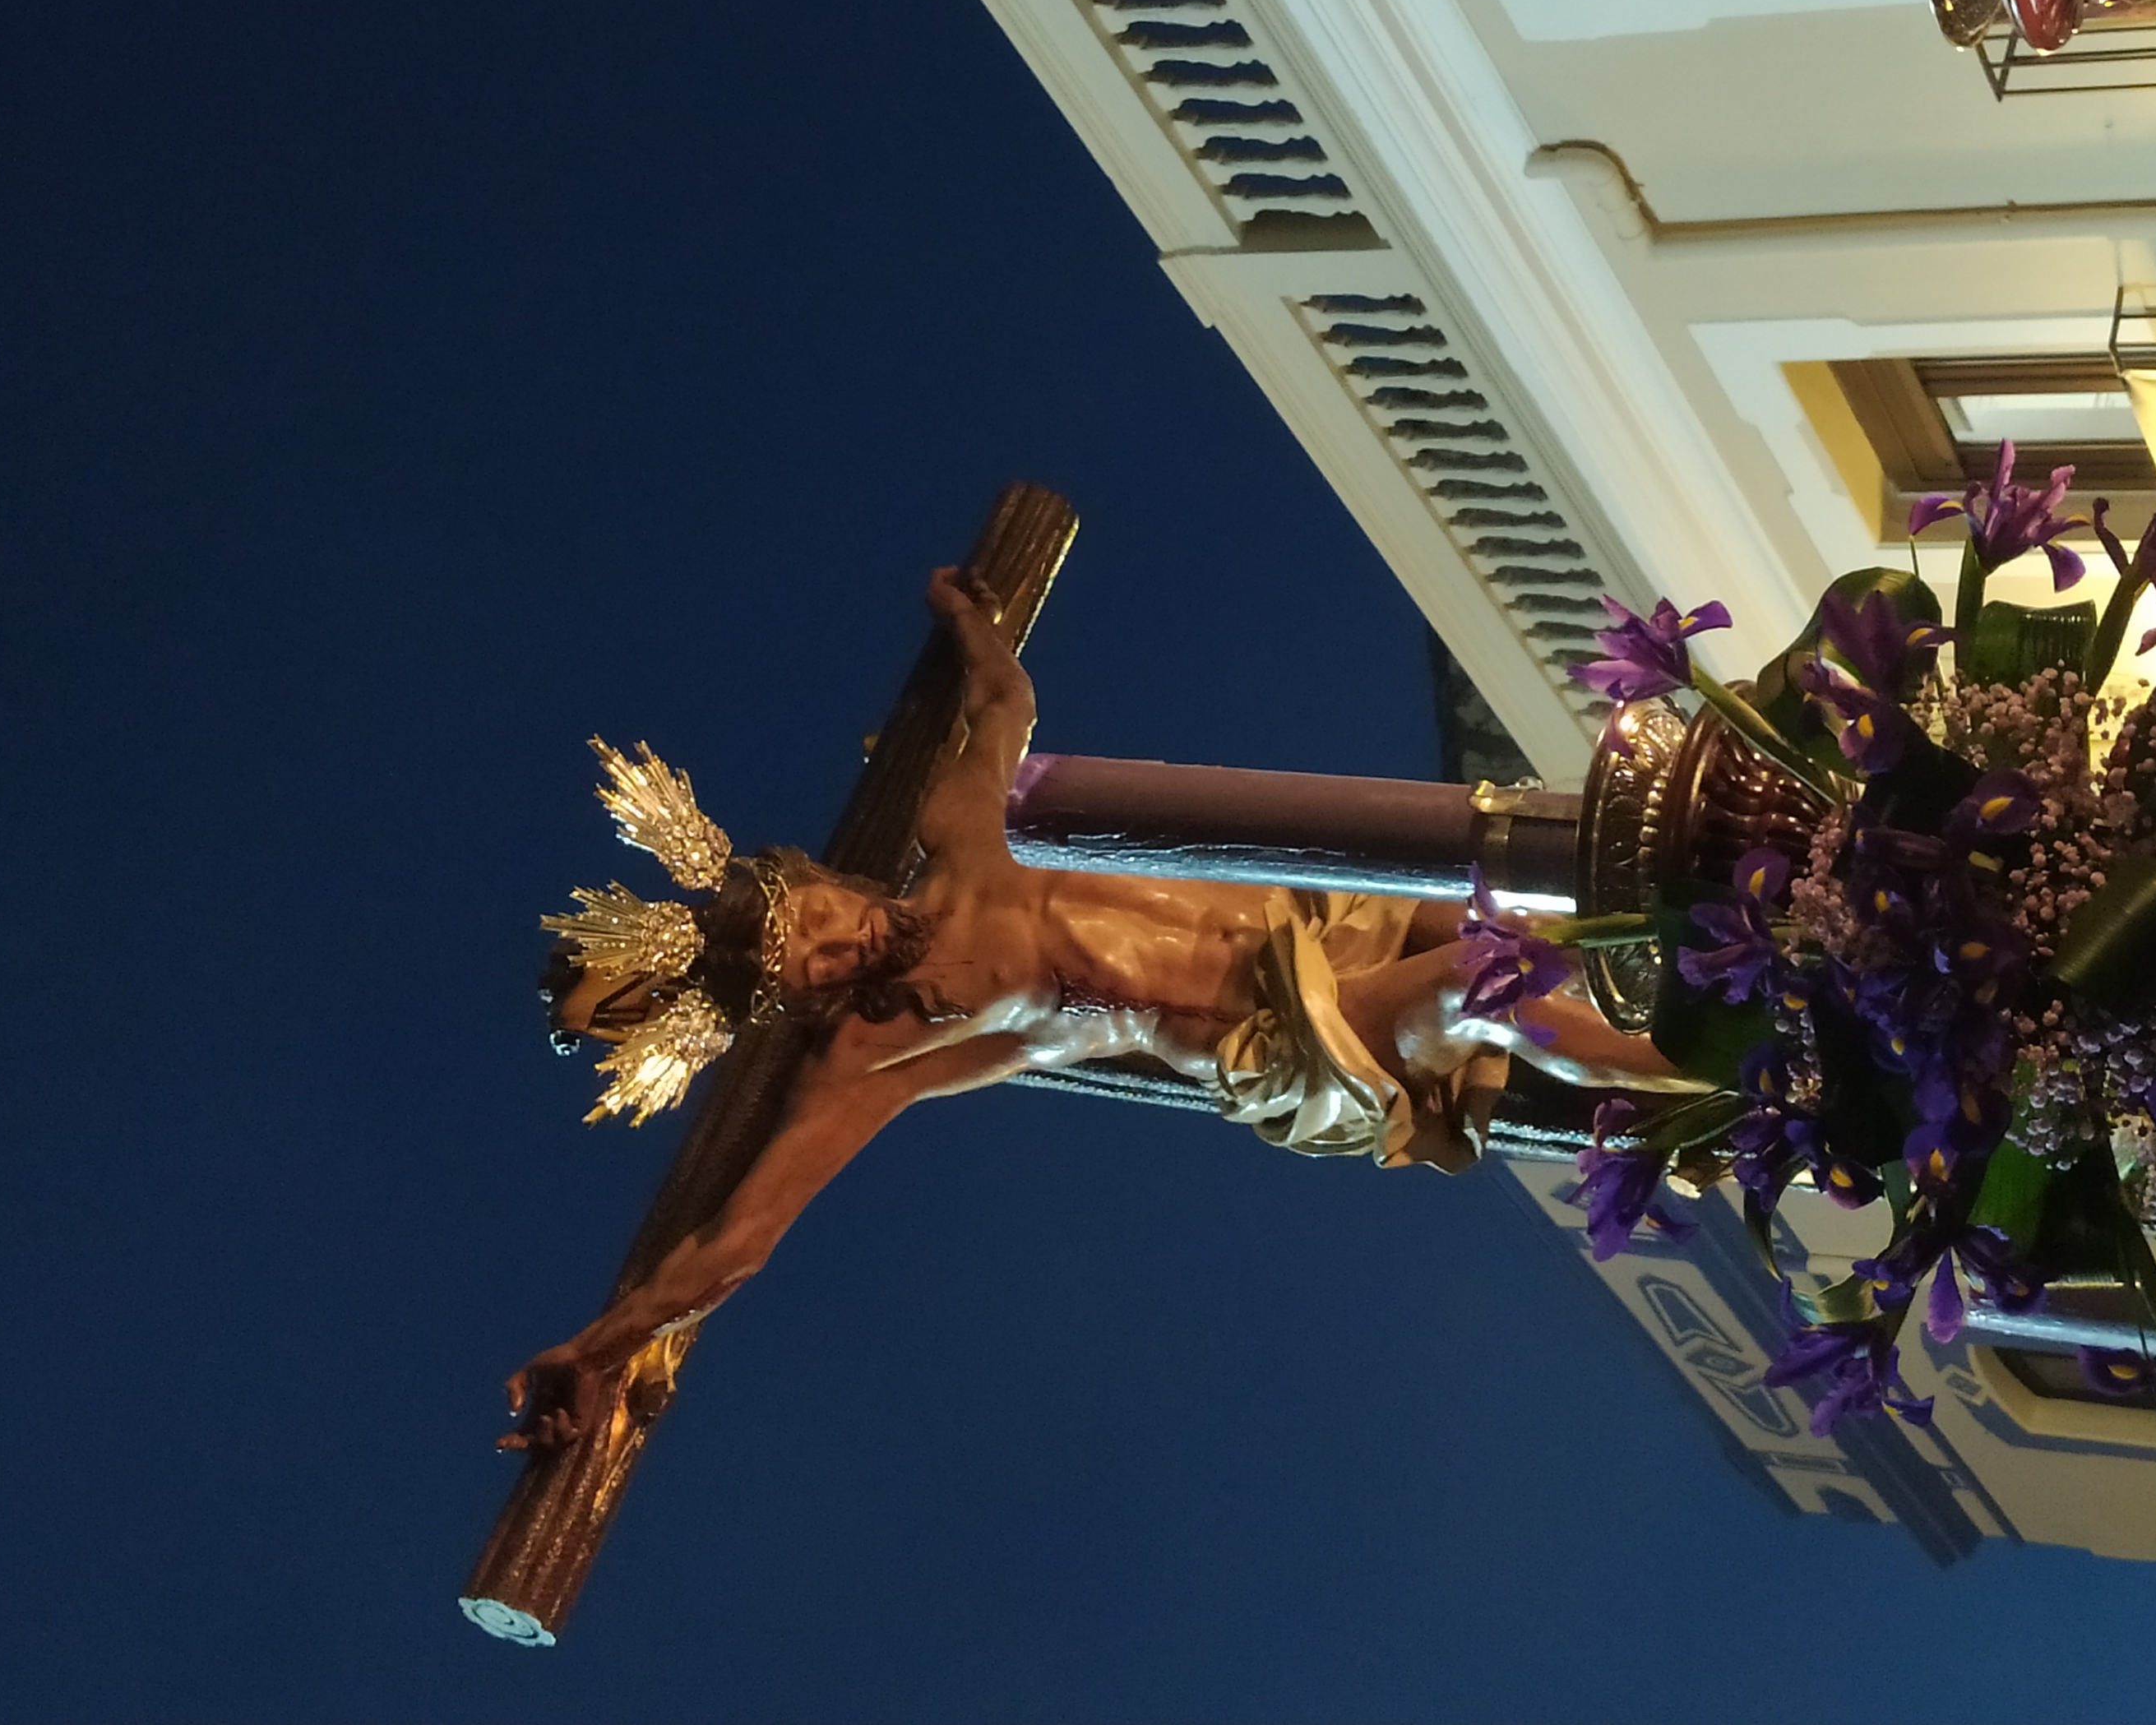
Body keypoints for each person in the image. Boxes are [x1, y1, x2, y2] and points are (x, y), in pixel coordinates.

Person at [501, 568, 1695, 1451]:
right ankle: (1733, 1085)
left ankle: (1744, 981)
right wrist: (602, 1349)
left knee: (1534, 915)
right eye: (809, 968)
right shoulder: (885, 1044)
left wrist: (968, 620)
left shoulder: (958, 827)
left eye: (812, 917)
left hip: (1317, 914)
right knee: (1489, 986)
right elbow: (741, 1238)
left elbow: (1004, 701)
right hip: (1282, 1035)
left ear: (819, 878)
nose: (834, 946)